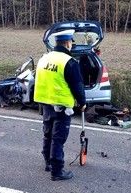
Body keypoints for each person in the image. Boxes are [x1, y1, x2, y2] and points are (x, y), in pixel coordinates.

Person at [34, 29, 86, 181]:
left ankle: (48, 163)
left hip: (45, 104)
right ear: (69, 43)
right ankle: (57, 171)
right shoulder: (69, 62)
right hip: (62, 106)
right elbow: (78, 87)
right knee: (58, 138)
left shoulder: (44, 58)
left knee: (48, 134)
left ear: (56, 43)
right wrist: (82, 103)